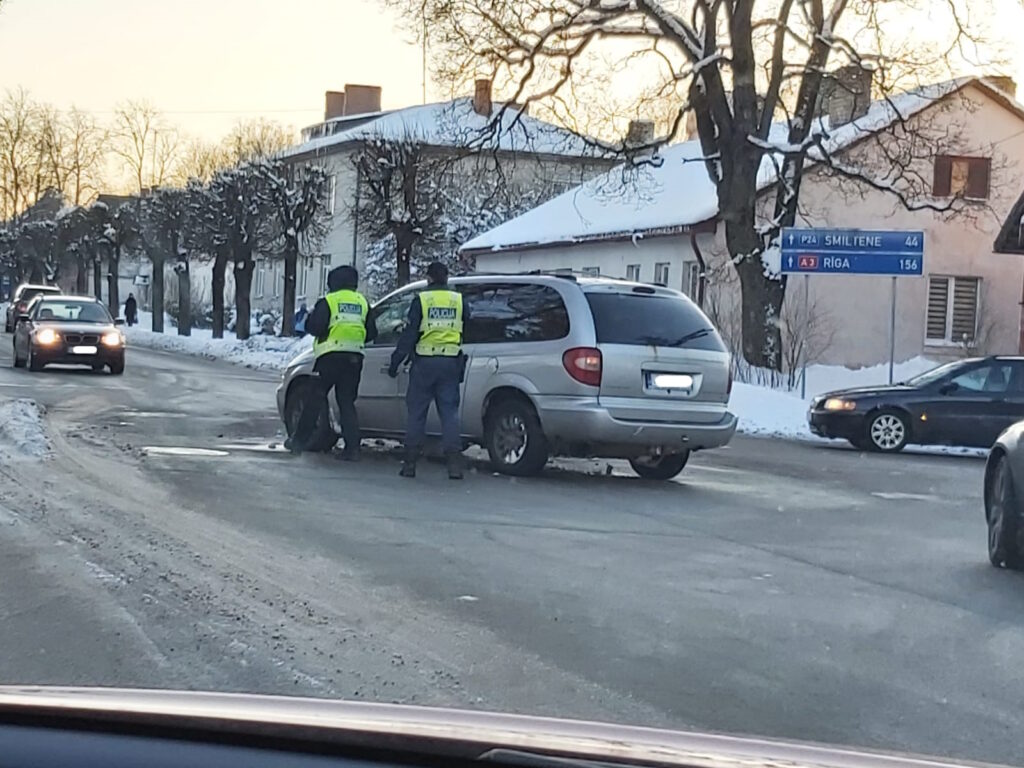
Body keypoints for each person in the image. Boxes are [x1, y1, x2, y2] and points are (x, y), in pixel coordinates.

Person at [388, 261, 467, 480]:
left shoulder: (422, 300)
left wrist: (396, 362)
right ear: (447, 278)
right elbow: (467, 325)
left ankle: (410, 464)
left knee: (417, 413)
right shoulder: (458, 300)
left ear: (429, 278)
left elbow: (409, 334)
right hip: (450, 362)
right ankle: (454, 465)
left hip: (424, 363)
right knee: (449, 414)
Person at [287, 265, 374, 460]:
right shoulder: (363, 302)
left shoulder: (329, 301)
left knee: (315, 400)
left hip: (330, 358)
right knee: (346, 402)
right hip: (354, 358)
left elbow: (315, 327)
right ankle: (352, 449)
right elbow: (372, 332)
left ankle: (298, 441)